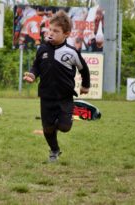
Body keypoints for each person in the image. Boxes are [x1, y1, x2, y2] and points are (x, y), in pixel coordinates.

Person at [23, 10, 90, 162]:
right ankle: (54, 150)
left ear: (66, 34)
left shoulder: (71, 52)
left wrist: (85, 85)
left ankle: (66, 117)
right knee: (47, 128)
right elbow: (36, 67)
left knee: (65, 127)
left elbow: (83, 69)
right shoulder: (42, 49)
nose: (51, 33)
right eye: (50, 29)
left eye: (56, 31)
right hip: (46, 96)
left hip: (65, 96)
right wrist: (32, 75)